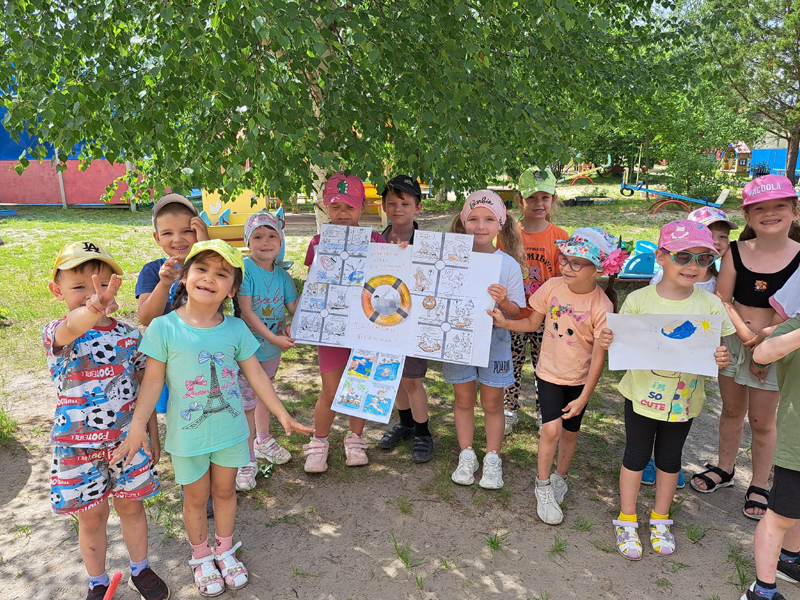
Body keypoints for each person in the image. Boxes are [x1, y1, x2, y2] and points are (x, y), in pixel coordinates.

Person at [114, 240, 313, 596]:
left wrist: (282, 414)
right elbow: (152, 383)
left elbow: (255, 376)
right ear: (185, 276)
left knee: (225, 491)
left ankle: (225, 549)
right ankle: (201, 556)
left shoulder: (236, 329)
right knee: (195, 499)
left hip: (231, 431)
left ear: (233, 288)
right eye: (202, 269)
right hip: (188, 435)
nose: (209, 279)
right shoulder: (163, 327)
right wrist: (136, 428)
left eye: (221, 274)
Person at [600, 220, 734, 560]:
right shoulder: (638, 300)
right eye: (684, 256)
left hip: (684, 401)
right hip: (641, 396)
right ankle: (627, 518)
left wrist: (720, 357)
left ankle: (661, 518)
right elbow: (622, 343)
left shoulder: (711, 305)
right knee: (635, 455)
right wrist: (608, 339)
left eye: (704, 259)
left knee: (670, 460)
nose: (693, 266)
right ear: (661, 256)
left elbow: (717, 349)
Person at [44, 241, 168, 600]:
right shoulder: (58, 333)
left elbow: (146, 386)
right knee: (92, 517)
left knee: (132, 506)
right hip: (76, 448)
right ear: (57, 290)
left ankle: (140, 569)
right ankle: (97, 581)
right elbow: (74, 325)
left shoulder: (131, 336)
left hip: (128, 443)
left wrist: (151, 432)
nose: (92, 295)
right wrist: (92, 309)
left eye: (100, 285)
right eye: (79, 287)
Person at [492, 228, 625, 524]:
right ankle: (543, 487)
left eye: (577, 262)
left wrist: (584, 398)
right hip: (549, 373)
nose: (566, 266)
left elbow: (598, 359)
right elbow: (531, 324)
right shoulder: (551, 287)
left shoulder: (602, 306)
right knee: (550, 430)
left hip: (579, 380)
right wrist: (505, 322)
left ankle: (560, 477)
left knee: (569, 433)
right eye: (565, 258)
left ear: (597, 269)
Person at [691, 175, 800, 520]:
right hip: (735, 342)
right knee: (732, 410)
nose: (770, 214)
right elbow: (723, 298)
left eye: (779, 206)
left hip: (778, 347)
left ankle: (760, 484)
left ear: (795, 210)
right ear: (749, 217)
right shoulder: (736, 252)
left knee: (764, 420)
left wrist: (766, 341)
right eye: (760, 209)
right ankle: (724, 469)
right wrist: (744, 335)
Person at [644, 206, 738, 488]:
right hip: (657, 363)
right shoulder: (662, 281)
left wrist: (718, 353)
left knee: (679, 412)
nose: (718, 242)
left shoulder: (719, 281)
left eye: (722, 237)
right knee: (650, 408)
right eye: (710, 234)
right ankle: (648, 459)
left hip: (691, 370)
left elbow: (717, 330)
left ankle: (669, 461)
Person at [302, 173, 387, 473]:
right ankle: (319, 441)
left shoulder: (377, 240)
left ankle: (355, 438)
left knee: (359, 386)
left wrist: (400, 251)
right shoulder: (318, 242)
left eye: (349, 207)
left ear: (361, 208)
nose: (342, 213)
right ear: (326, 207)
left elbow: (390, 276)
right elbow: (312, 285)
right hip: (331, 328)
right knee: (330, 389)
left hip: (366, 328)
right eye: (336, 206)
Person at [136, 192, 214, 516]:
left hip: (208, 360)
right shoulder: (153, 270)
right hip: (169, 367)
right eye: (168, 233)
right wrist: (165, 282)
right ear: (157, 238)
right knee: (183, 423)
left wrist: (207, 245)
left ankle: (217, 478)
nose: (178, 239)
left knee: (211, 419)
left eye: (187, 230)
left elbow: (225, 296)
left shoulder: (209, 263)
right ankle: (193, 486)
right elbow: (146, 317)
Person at [446, 190, 526, 489]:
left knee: (492, 403)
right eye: (474, 219)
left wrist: (504, 302)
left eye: (489, 219)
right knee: (463, 399)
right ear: (464, 221)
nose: (481, 226)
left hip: (495, 342)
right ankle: (467, 454)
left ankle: (493, 457)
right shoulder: (450, 258)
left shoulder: (507, 264)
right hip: (457, 340)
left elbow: (517, 311)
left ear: (501, 224)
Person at [498, 166, 568, 435]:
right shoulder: (506, 235)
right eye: (532, 198)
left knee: (545, 367)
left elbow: (566, 279)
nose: (539, 204)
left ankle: (545, 413)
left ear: (553, 198)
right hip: (514, 314)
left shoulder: (561, 237)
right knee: (511, 362)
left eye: (545, 197)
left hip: (547, 318)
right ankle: (509, 409)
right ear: (519, 200)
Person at [233, 211, 299, 491]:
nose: (266, 241)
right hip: (246, 353)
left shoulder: (284, 277)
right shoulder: (245, 270)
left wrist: (293, 330)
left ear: (280, 241)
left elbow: (297, 310)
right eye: (258, 236)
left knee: (265, 395)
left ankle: (262, 440)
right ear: (248, 242)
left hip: (272, 351)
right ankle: (244, 459)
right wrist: (273, 335)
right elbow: (246, 312)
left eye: (272, 235)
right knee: (246, 404)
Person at [376, 175, 434, 463]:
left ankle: (423, 432)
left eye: (405, 203)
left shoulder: (428, 244)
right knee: (393, 376)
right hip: (382, 321)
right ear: (384, 207)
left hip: (414, 323)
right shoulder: (376, 240)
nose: (398, 208)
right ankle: (406, 423)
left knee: (411, 379)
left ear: (418, 208)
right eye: (392, 203)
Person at [742, 315, 800, 599]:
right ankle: (762, 590)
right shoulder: (795, 325)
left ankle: (789, 559)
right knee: (781, 515)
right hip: (798, 444)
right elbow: (762, 354)